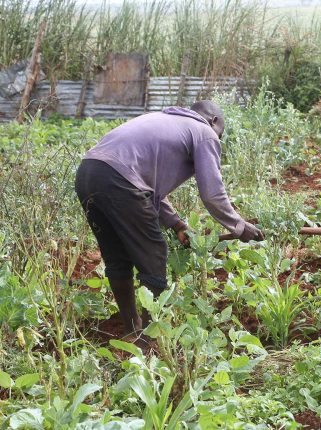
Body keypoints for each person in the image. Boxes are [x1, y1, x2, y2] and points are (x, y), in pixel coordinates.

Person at [75, 100, 264, 339]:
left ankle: (131, 330)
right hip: (119, 181)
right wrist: (238, 226)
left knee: (117, 257)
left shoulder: (163, 120)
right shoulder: (204, 132)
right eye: (221, 135)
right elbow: (213, 194)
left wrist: (177, 224)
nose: (218, 140)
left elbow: (144, 187)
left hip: (88, 173)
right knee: (154, 256)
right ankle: (146, 340)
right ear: (214, 121)